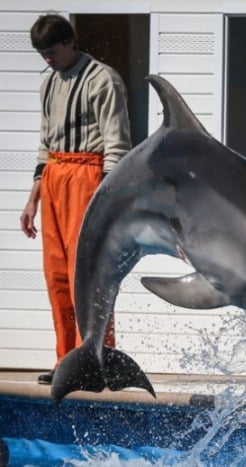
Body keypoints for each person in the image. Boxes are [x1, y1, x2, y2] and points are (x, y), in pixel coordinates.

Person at [20, 14, 132, 385]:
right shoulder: (48, 83)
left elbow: (117, 144)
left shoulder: (103, 79)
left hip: (88, 175)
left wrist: (104, 197)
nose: (47, 59)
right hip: (54, 176)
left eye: (51, 51)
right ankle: (67, 361)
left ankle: (97, 361)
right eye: (41, 54)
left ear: (70, 42)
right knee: (57, 277)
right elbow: (44, 142)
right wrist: (33, 198)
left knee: (87, 275)